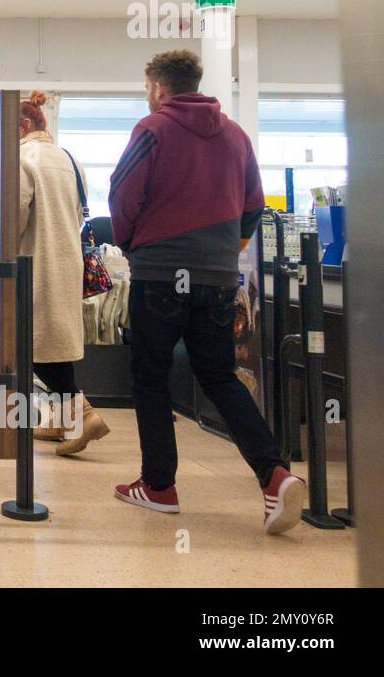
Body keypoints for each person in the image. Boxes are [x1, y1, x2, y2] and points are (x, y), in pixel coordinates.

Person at [109, 50, 305, 534]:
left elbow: (122, 194)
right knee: (219, 378)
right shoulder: (236, 135)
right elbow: (253, 207)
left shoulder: (152, 129)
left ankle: (159, 486)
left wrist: (132, 244)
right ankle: (274, 473)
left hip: (159, 275)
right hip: (217, 279)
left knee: (150, 378)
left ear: (158, 87)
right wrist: (224, 252)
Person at [17, 91, 110, 455]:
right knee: (54, 342)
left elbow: (15, 220)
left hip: (33, 262)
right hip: (66, 262)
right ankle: (59, 421)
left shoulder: (23, 159)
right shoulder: (69, 160)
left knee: (33, 343)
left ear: (24, 125)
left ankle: (82, 414)